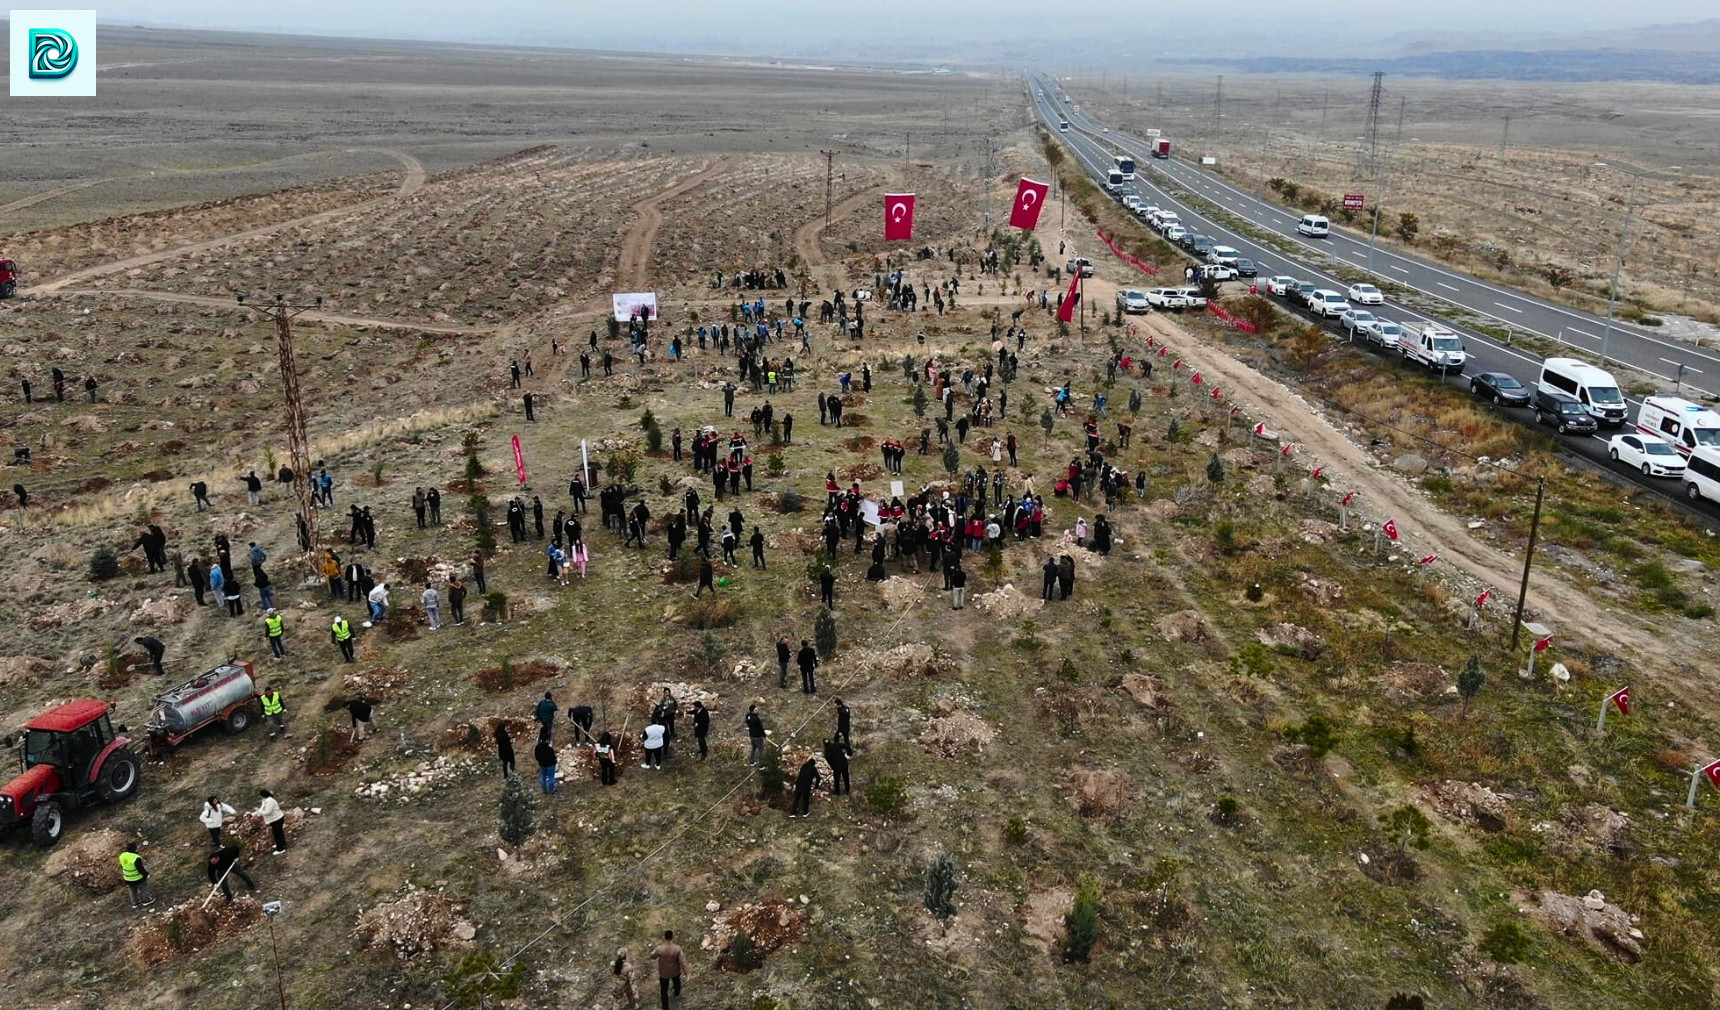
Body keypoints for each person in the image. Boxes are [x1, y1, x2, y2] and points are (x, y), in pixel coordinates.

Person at [649, 931, 687, 1010]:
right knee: (677, 982)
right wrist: (687, 973)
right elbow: (682, 962)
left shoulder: (660, 948)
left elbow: (652, 956)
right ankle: (677, 994)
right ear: (672, 937)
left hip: (664, 973)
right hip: (675, 971)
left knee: (664, 990)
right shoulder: (677, 948)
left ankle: (665, 1007)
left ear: (664, 937)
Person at [251, 789, 288, 854]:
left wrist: (258, 811)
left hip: (277, 819)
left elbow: (268, 812)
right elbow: (262, 809)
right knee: (278, 833)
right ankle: (282, 843)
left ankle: (280, 849)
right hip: (274, 819)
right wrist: (252, 814)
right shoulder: (264, 800)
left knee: (277, 834)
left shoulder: (270, 801)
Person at [119, 843, 154, 908]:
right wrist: (146, 874)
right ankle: (146, 900)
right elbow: (140, 869)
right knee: (144, 888)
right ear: (135, 849)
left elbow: (121, 865)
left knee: (132, 890)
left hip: (128, 878)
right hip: (138, 878)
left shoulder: (122, 855)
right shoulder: (136, 858)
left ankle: (135, 903)